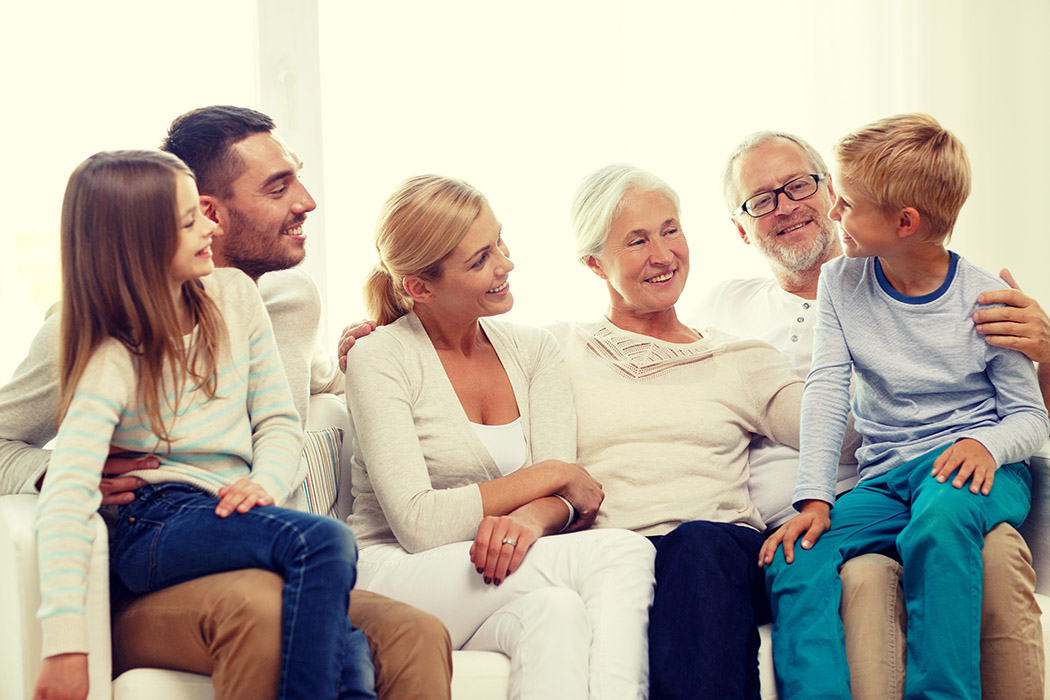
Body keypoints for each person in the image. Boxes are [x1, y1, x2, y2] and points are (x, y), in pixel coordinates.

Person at [0, 106, 451, 700]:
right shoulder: (95, 334)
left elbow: (303, 396)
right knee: (278, 597)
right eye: (278, 185)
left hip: (256, 536)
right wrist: (62, 471)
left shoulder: (277, 301)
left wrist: (373, 351)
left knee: (407, 635)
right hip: (163, 551)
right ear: (206, 212)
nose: (307, 201)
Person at [701, 128, 1047, 699]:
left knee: (939, 521)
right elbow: (828, 389)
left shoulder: (986, 300)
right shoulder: (842, 281)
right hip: (886, 480)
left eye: (845, 202)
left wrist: (986, 445)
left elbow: (1030, 419)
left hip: (977, 471)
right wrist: (813, 500)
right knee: (796, 550)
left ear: (904, 222)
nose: (833, 211)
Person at [343, 174, 657, 700]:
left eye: (500, 242)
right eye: (479, 259)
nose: (506, 264)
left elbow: (565, 500)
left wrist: (533, 515)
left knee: (556, 614)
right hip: (392, 573)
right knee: (620, 554)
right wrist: (552, 475)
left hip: (485, 570)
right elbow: (419, 523)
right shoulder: (380, 357)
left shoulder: (534, 351)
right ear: (420, 287)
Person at [549, 163, 846, 700]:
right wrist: (381, 330)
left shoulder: (739, 357)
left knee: (696, 545)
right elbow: (456, 360)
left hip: (719, 556)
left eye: (670, 229)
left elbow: (837, 431)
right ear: (595, 263)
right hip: (613, 559)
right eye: (636, 240)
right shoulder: (555, 350)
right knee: (637, 564)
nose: (663, 255)